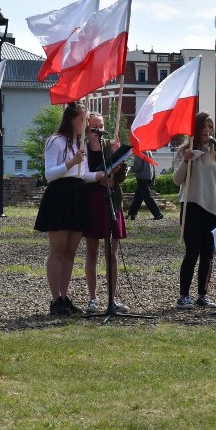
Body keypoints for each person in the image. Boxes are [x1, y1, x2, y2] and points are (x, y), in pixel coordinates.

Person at [34, 102, 104, 316]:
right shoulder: (55, 141)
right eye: (82, 120)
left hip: (77, 195)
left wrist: (102, 175)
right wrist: (71, 162)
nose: (85, 124)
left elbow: (84, 175)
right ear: (71, 119)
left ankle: (64, 297)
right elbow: (49, 174)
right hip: (59, 196)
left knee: (70, 253)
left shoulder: (78, 142)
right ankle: (55, 299)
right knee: (58, 251)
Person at [172, 111, 216, 310]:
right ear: (195, 129)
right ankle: (183, 295)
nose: (207, 130)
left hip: (213, 209)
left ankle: (202, 294)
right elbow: (177, 180)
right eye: (203, 127)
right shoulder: (184, 150)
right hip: (191, 205)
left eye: (210, 127)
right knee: (192, 251)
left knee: (208, 253)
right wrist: (186, 160)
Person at [81, 113, 129, 314]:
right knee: (92, 251)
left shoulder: (110, 145)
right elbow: (81, 176)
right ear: (86, 129)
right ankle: (92, 298)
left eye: (100, 126)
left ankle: (112, 297)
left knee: (112, 253)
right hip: (91, 202)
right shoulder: (81, 148)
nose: (98, 131)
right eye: (94, 127)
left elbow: (122, 176)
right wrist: (100, 179)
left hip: (111, 200)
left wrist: (119, 163)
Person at [127, 150, 164, 220]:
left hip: (142, 176)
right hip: (148, 176)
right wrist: (153, 178)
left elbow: (137, 165)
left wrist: (131, 169)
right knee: (138, 196)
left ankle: (158, 214)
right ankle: (132, 213)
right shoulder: (148, 151)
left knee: (147, 196)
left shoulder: (139, 150)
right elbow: (152, 164)